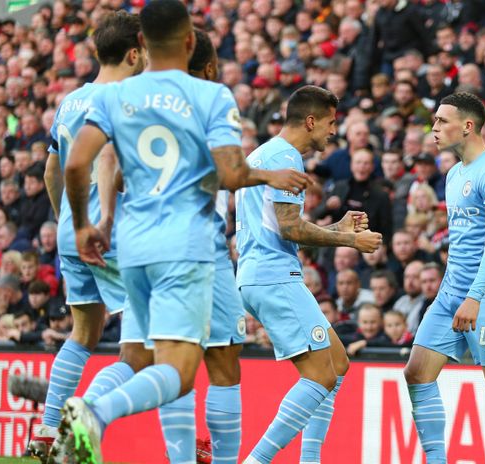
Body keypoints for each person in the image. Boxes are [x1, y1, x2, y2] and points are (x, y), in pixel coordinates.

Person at [59, 2, 311, 463]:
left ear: (141, 45)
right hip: (191, 246)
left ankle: (94, 418)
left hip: (132, 249)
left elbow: (83, 163)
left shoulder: (117, 96)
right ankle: (94, 413)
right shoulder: (210, 97)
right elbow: (231, 173)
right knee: (196, 365)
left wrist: (88, 223)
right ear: (191, 42)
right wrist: (267, 176)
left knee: (143, 356)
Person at [236, 85, 381, 464]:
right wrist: (348, 240)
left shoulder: (261, 154)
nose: (334, 131)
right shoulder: (286, 159)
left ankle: (310, 459)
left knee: (337, 364)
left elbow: (282, 225)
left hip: (258, 272)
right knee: (319, 377)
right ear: (311, 121)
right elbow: (289, 229)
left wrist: (337, 227)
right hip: (274, 275)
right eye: (331, 123)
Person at [28, 12, 146, 461]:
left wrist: (69, 224)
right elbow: (111, 165)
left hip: (73, 232)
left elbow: (52, 170)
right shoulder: (128, 99)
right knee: (144, 350)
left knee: (84, 332)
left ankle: (44, 430)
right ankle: (84, 420)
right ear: (134, 52)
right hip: (109, 233)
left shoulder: (71, 101)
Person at [403, 92, 485, 464]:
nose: (433, 129)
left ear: (467, 126)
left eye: (441, 121)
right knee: (417, 373)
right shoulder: (454, 174)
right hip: (451, 291)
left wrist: (475, 296)